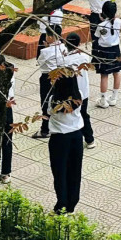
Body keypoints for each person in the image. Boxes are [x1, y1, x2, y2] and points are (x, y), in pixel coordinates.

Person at [46, 72, 85, 213]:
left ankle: (61, 203)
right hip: (76, 136)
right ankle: (72, 204)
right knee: (75, 170)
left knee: (60, 172)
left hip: (59, 139)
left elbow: (49, 112)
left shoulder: (53, 100)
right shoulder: (78, 95)